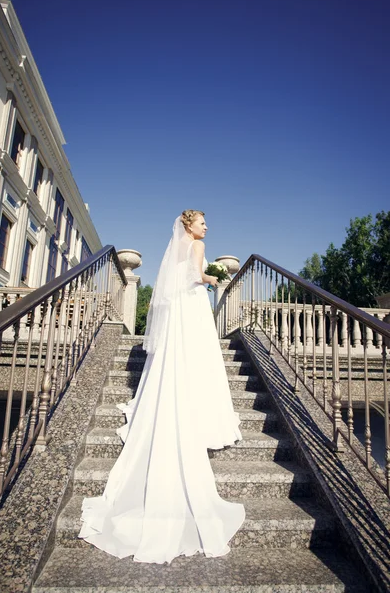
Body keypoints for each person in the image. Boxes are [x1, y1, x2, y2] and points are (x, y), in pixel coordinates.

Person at [79, 210, 245, 564]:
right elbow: (197, 277)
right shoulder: (197, 246)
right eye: (202, 222)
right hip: (195, 307)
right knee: (200, 357)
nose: (206, 227)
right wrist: (213, 280)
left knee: (177, 357)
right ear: (190, 225)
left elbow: (176, 281)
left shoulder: (176, 249)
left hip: (178, 310)